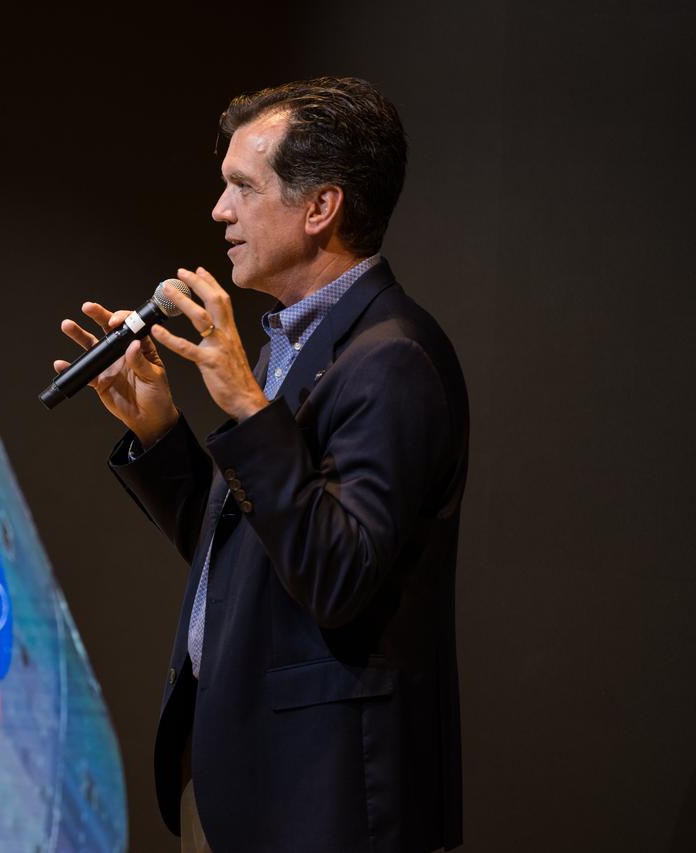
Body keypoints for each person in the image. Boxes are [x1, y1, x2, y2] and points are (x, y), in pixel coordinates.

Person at [53, 77, 468, 852]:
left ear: (320, 209)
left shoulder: (394, 359)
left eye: (243, 186)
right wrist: (160, 430)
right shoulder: (298, 342)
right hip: (243, 776)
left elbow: (338, 575)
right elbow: (260, 551)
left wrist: (247, 405)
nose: (219, 211)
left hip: (321, 802)